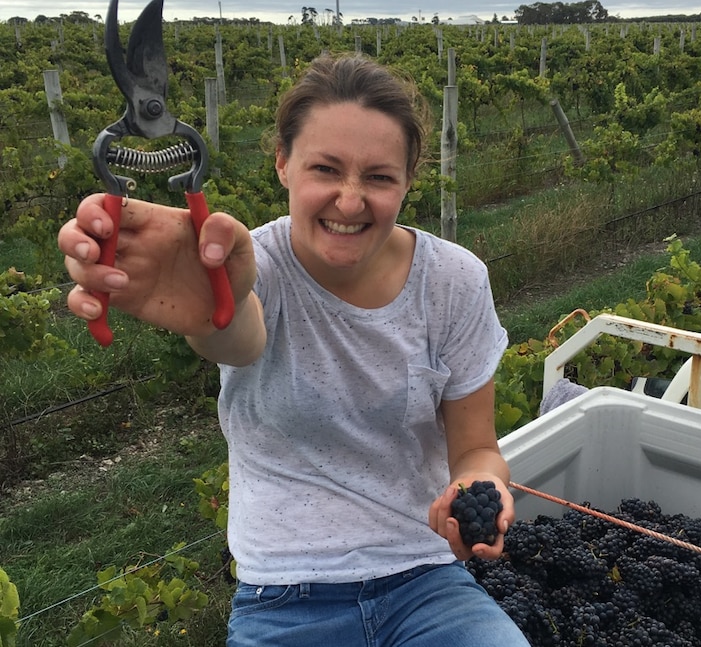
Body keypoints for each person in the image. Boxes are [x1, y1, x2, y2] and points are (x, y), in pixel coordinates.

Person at [58, 53, 530, 647]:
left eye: (380, 177)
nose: (351, 201)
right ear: (282, 162)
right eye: (326, 169)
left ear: (410, 179)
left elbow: (477, 448)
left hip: (426, 582)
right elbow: (238, 335)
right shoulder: (255, 268)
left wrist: (478, 489)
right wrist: (212, 308)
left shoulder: (454, 282)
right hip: (284, 597)